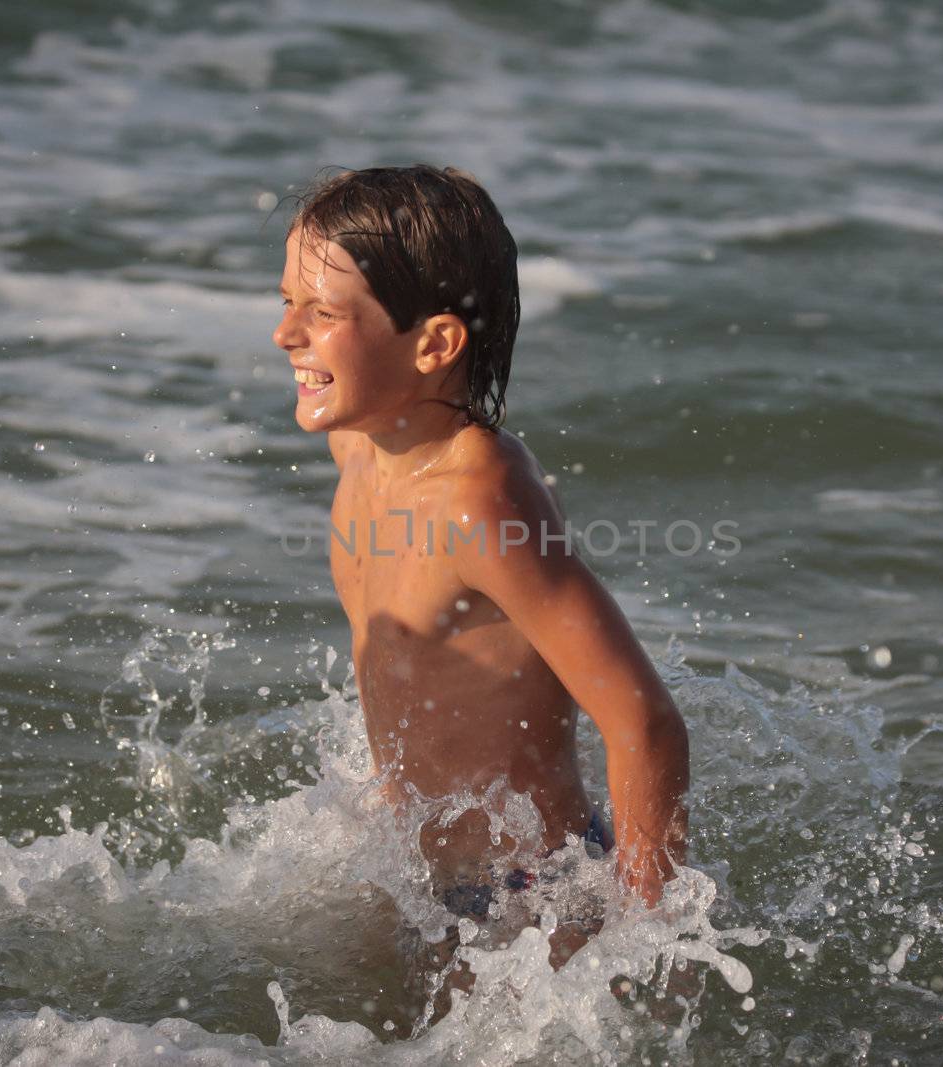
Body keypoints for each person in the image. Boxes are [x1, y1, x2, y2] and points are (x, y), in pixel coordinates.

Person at [272, 164, 689, 923]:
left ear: (434, 344)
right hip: (411, 876)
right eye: (286, 301)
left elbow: (645, 723)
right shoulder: (362, 446)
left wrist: (649, 942)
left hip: (530, 894)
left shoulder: (480, 504)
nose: (285, 332)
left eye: (322, 312)